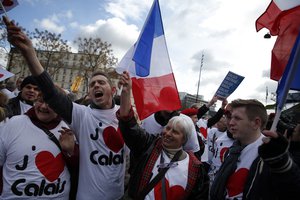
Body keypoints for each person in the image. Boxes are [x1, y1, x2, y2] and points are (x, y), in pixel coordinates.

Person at [4, 16, 127, 200]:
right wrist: (29, 53)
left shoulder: (125, 117)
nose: (96, 86)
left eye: (101, 82)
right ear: (89, 93)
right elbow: (52, 94)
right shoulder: (82, 115)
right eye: (92, 84)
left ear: (113, 89)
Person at [117, 71, 209, 199]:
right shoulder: (150, 146)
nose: (168, 134)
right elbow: (129, 128)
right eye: (168, 128)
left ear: (184, 139)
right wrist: (126, 92)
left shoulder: (195, 169)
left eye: (175, 132)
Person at [210, 99, 300, 200]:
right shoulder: (232, 151)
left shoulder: (271, 154)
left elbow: (292, 190)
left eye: (237, 118)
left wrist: (281, 164)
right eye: (231, 118)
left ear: (256, 123)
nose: (231, 122)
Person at [0, 91, 74, 199]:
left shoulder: (69, 130)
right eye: (41, 101)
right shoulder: (13, 124)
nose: (44, 106)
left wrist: (71, 152)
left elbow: (80, 171)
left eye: (50, 103)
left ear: (60, 106)